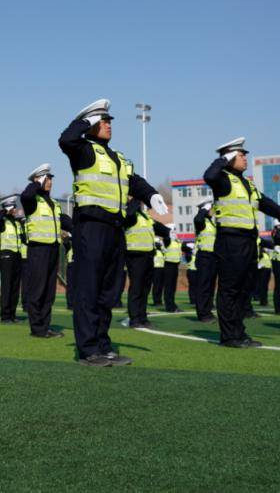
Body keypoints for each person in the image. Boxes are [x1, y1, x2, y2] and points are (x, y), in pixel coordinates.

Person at [59, 99, 167, 366]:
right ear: (92, 125)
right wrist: (87, 119)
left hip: (115, 230)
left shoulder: (118, 157)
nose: (108, 125)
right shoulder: (84, 150)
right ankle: (88, 350)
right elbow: (65, 139)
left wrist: (151, 194)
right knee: (89, 289)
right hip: (91, 227)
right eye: (103, 121)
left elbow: (134, 181)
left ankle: (104, 345)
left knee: (109, 291)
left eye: (108, 121)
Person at [205, 137, 280, 348]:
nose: (245, 158)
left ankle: (240, 332)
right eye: (241, 155)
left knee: (244, 289)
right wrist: (222, 160)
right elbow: (209, 176)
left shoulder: (246, 183)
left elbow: (265, 203)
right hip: (230, 240)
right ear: (230, 156)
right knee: (230, 289)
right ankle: (229, 336)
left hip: (249, 241)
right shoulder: (222, 179)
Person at [21, 164, 73, 338]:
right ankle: (37, 328)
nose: (50, 181)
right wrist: (36, 183)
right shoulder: (32, 200)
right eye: (46, 178)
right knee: (38, 290)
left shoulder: (53, 204)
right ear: (39, 180)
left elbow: (65, 221)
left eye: (50, 178)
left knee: (49, 292)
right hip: (38, 249)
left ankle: (45, 325)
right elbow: (26, 195)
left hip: (52, 249)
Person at [123, 198, 163, 329]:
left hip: (148, 255)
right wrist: (134, 201)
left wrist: (169, 232)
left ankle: (142, 317)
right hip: (135, 255)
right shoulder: (128, 211)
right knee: (136, 287)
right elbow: (128, 217)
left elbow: (156, 227)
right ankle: (134, 319)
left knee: (145, 288)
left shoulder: (145, 216)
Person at [0, 196, 25, 324]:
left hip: (17, 256)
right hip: (6, 255)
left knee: (15, 287)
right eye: (13, 207)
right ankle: (5, 316)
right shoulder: (2, 222)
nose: (15, 209)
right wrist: (5, 211)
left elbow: (23, 239)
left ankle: (12, 314)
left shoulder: (17, 223)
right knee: (7, 286)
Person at [192, 198, 218, 323]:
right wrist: (204, 209)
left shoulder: (211, 223)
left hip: (212, 257)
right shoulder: (200, 221)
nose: (212, 210)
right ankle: (203, 314)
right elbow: (198, 219)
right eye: (211, 208)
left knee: (210, 286)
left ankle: (208, 311)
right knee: (203, 286)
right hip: (204, 257)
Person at [155, 227, 185, 313]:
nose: (175, 232)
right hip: (168, 265)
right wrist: (168, 233)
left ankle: (172, 304)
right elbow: (166, 238)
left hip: (175, 265)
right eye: (173, 230)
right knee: (169, 287)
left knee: (172, 287)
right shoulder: (167, 240)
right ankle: (170, 306)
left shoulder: (177, 242)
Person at [254, 233, 274, 309]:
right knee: (261, 286)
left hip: (267, 269)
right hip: (262, 269)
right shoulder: (261, 253)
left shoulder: (266, 254)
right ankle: (262, 300)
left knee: (264, 286)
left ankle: (264, 300)